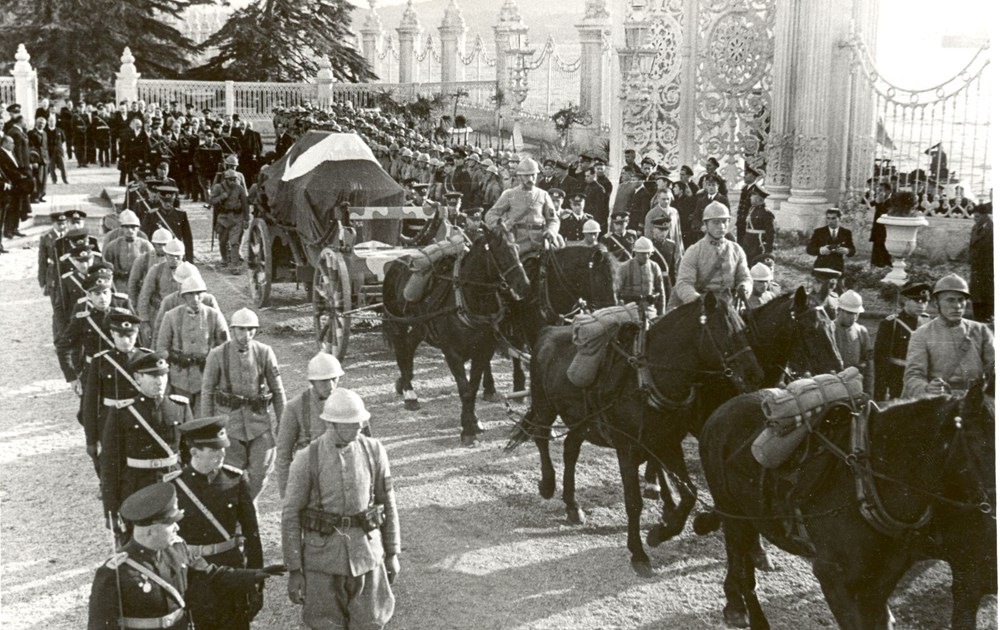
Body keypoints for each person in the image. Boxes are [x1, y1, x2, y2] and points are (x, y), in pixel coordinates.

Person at [88, 482, 284, 630]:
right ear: (150, 531)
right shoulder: (115, 573)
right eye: (171, 523)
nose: (177, 527)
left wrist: (254, 575)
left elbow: (211, 574)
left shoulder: (177, 549)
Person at [282, 389, 400, 630]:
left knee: (371, 622)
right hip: (322, 562)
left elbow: (387, 502)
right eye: (352, 423)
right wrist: (295, 569)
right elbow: (291, 515)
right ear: (332, 424)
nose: (360, 426)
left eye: (360, 420)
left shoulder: (374, 450)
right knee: (325, 625)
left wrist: (392, 552)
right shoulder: (306, 458)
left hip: (367, 556)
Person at [166, 417, 266, 629]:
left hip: (230, 566)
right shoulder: (175, 486)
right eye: (214, 451)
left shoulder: (235, 480)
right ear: (194, 452)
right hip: (195, 573)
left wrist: (255, 582)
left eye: (223, 448)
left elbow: (252, 534)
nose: (222, 454)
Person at [100, 350, 193, 538]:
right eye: (152, 376)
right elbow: (109, 463)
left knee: (177, 536)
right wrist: (110, 510)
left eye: (163, 375)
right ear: (138, 377)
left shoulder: (180, 407)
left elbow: (191, 453)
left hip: (172, 481)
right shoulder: (122, 411)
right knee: (137, 537)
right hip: (136, 484)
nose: (160, 382)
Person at [201, 308, 286, 500]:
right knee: (229, 474)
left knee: (261, 472)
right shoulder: (217, 355)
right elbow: (207, 392)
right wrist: (208, 429)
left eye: (251, 330)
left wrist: (284, 422)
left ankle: (248, 505)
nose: (246, 335)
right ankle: (237, 514)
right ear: (232, 330)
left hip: (259, 425)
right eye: (241, 330)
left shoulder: (265, 352)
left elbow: (278, 392)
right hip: (229, 426)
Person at [904, 274, 995, 397]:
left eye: (961, 300)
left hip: (976, 400)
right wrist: (926, 388)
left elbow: (994, 365)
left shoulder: (980, 330)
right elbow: (913, 376)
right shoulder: (922, 334)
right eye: (950, 300)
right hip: (941, 402)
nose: (957, 306)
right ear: (936, 304)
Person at [275, 352, 346, 498]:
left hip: (343, 481)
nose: (331, 386)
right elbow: (283, 457)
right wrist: (287, 497)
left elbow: (367, 447)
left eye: (334, 379)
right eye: (324, 381)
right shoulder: (295, 408)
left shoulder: (348, 403)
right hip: (310, 484)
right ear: (312, 381)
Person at [157, 275, 230, 414]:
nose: (195, 298)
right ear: (183, 296)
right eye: (190, 294)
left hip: (206, 377)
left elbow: (226, 347)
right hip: (179, 378)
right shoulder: (171, 316)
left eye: (199, 294)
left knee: (203, 418)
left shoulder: (214, 316)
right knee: (179, 417)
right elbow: (161, 348)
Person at [82, 310, 142, 478]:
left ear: (137, 334)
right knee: (111, 461)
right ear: (112, 334)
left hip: (139, 418)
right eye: (120, 336)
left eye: (130, 335)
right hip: (110, 419)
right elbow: (91, 404)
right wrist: (91, 439)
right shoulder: (101, 361)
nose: (125, 341)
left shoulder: (146, 359)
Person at [665, 202, 751, 314]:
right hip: (701, 307)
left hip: (730, 307)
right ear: (706, 224)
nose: (721, 226)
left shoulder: (736, 250)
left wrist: (744, 288)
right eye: (716, 222)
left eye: (725, 221)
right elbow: (684, 283)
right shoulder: (694, 251)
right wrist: (698, 300)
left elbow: (745, 277)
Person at [484, 158, 563, 256]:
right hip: (516, 242)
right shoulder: (509, 194)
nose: (530, 179)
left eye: (533, 175)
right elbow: (490, 215)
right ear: (519, 177)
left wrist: (551, 231)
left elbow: (553, 220)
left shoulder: (543, 195)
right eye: (526, 175)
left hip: (540, 242)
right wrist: (503, 225)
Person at [873, 281, 931, 401]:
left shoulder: (927, 322)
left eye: (925, 301)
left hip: (921, 382)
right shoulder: (891, 324)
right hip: (897, 382)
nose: (921, 306)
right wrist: (881, 392)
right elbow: (881, 361)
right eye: (917, 301)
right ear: (906, 301)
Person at [137, 238, 185, 343]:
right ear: (166, 255)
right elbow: (144, 296)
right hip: (159, 315)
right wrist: (145, 321)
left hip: (182, 317)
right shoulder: (156, 270)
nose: (174, 259)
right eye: (171, 255)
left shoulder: (190, 271)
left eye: (178, 256)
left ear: (183, 256)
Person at [833, 290, 873, 396]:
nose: (854, 317)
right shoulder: (829, 330)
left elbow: (868, 365)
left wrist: (869, 392)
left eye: (857, 313)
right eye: (850, 313)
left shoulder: (861, 331)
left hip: (856, 388)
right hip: (834, 388)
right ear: (839, 310)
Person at [209, 167, 249, 273]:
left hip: (237, 217)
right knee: (223, 241)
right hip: (223, 217)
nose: (232, 182)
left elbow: (245, 204)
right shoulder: (218, 187)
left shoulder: (239, 188)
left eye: (234, 179)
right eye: (230, 179)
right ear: (225, 179)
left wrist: (246, 219)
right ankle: (225, 258)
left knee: (235, 242)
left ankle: (234, 265)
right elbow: (211, 201)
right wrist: (221, 197)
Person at [616, 236, 665, 319]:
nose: (646, 256)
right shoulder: (624, 268)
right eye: (643, 253)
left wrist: (661, 315)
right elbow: (616, 292)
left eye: (648, 253)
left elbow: (661, 292)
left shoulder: (654, 267)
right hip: (629, 312)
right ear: (636, 253)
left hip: (649, 311)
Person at [103, 209, 154, 288]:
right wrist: (118, 273)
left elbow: (152, 265)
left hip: (139, 283)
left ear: (138, 228)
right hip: (119, 283)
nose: (130, 230)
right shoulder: (112, 246)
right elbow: (106, 264)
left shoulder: (146, 245)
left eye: (133, 227)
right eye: (126, 227)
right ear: (122, 228)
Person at [128, 227, 172, 306]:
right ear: (154, 244)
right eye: (159, 244)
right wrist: (133, 304)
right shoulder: (143, 259)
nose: (162, 248)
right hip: (148, 301)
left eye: (165, 244)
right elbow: (133, 283)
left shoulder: (174, 260)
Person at [806, 207, 856, 273]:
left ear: (840, 218)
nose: (830, 221)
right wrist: (820, 250)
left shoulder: (846, 232)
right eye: (828, 218)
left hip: (838, 267)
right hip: (821, 266)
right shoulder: (819, 232)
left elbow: (852, 250)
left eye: (833, 218)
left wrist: (847, 251)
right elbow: (809, 249)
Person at [687, 174, 728, 248]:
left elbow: (727, 218)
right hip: (703, 233)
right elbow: (696, 217)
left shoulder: (723, 200)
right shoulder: (701, 200)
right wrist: (701, 227)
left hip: (717, 233)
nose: (711, 187)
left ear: (718, 186)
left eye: (713, 185)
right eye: (709, 185)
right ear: (706, 186)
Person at [737, 182, 774, 264]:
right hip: (748, 242)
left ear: (758, 198)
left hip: (758, 244)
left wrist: (768, 250)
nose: (750, 198)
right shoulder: (752, 209)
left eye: (752, 196)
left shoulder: (766, 213)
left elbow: (770, 233)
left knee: (757, 265)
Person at [968, 201, 993, 323]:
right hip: (976, 267)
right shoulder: (976, 227)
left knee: (987, 294)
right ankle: (977, 319)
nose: (974, 219)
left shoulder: (992, 229)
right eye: (974, 217)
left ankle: (988, 318)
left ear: (985, 216)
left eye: (977, 217)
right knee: (976, 294)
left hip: (988, 269)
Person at [869, 181, 893, 267]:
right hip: (877, 227)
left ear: (888, 191)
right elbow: (869, 205)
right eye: (879, 190)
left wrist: (880, 203)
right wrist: (877, 201)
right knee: (876, 244)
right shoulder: (879, 199)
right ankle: (876, 264)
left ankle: (885, 264)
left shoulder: (891, 201)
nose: (880, 192)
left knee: (884, 245)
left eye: (882, 190)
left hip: (886, 228)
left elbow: (885, 213)